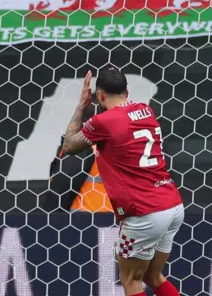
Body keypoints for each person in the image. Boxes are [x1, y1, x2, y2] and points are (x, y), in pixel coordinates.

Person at [62, 69, 182, 296]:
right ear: (127, 92)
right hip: (172, 205)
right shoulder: (145, 110)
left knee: (130, 280)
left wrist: (81, 106)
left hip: (144, 213)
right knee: (153, 276)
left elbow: (69, 146)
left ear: (99, 95)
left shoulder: (103, 121)